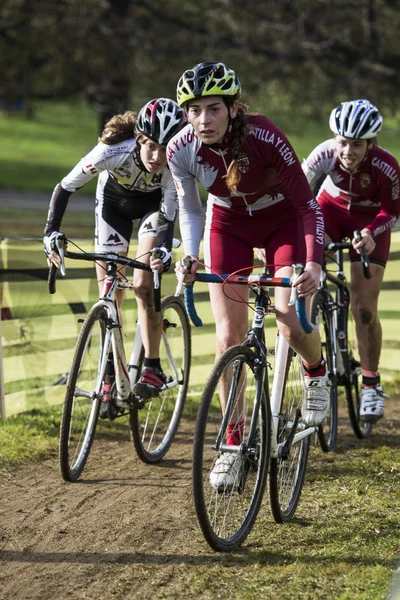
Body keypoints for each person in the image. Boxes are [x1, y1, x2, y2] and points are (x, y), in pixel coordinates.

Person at [167, 61, 330, 487]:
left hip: (282, 222)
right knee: (227, 339)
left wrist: (313, 263)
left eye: (214, 109)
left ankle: (316, 369)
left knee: (292, 325)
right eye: (195, 110)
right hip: (228, 226)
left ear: (233, 109)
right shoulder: (180, 148)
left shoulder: (264, 135)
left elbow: (307, 205)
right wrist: (188, 254)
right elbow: (190, 208)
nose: (204, 120)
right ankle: (233, 444)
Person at [43, 98, 187, 413]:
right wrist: (51, 232)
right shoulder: (112, 151)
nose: (157, 156)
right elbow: (65, 187)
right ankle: (110, 375)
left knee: (142, 284)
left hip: (153, 211)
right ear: (139, 139)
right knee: (109, 294)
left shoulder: (175, 166)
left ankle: (153, 366)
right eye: (150, 146)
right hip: (113, 206)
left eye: (165, 148)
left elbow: (167, 219)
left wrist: (162, 250)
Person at [302, 98, 400, 423]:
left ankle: (370, 382)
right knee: (308, 269)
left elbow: (393, 211)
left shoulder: (386, 166)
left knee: (365, 310)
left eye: (356, 144)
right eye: (342, 142)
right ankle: (314, 344)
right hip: (330, 212)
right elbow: (298, 195)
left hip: (371, 223)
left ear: (370, 143)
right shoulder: (324, 154)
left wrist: (372, 231)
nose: (347, 151)